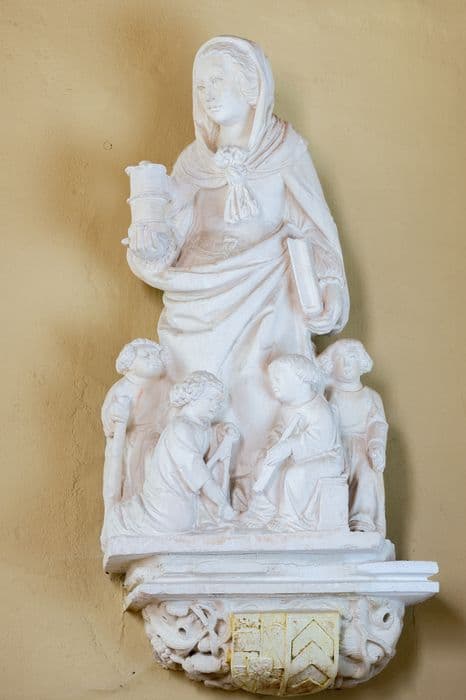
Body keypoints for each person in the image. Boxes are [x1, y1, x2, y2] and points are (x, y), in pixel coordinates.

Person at [126, 36, 349, 509]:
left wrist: (327, 284)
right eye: (201, 85)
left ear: (253, 88)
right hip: (198, 294)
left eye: (219, 81)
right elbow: (168, 239)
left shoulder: (285, 151)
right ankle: (200, 494)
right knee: (197, 386)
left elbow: (314, 228)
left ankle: (256, 492)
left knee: (259, 384)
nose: (207, 92)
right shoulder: (192, 163)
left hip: (266, 289)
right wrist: (148, 241)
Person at [105, 371, 237, 537]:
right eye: (211, 399)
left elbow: (207, 441)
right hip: (166, 512)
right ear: (193, 396)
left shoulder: (196, 427)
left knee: (118, 516)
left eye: (218, 402)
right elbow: (200, 476)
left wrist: (223, 431)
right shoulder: (181, 428)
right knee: (117, 517)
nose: (215, 406)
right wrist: (222, 503)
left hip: (177, 513)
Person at [243, 354, 345, 531]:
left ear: (301, 379)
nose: (273, 384)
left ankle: (289, 518)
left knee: (295, 475)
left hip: (326, 458)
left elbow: (320, 440)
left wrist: (288, 447)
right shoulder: (286, 408)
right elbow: (278, 430)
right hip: (296, 456)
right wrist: (274, 443)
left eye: (278, 379)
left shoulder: (319, 408)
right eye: (272, 380)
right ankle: (266, 510)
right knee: (262, 464)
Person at [318, 340, 388, 536]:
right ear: (332, 365)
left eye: (352, 358)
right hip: (335, 445)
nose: (346, 364)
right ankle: (334, 519)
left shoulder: (371, 396)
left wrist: (376, 445)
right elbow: (322, 420)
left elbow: (377, 424)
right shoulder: (329, 394)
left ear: (362, 362)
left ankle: (361, 519)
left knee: (366, 476)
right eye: (340, 359)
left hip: (361, 446)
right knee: (333, 477)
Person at [101, 338, 169, 506]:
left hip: (157, 440)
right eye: (146, 356)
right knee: (131, 478)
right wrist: (116, 414)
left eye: (157, 355)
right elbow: (109, 423)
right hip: (130, 443)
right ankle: (130, 508)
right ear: (129, 363)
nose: (154, 358)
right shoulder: (122, 388)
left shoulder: (165, 386)